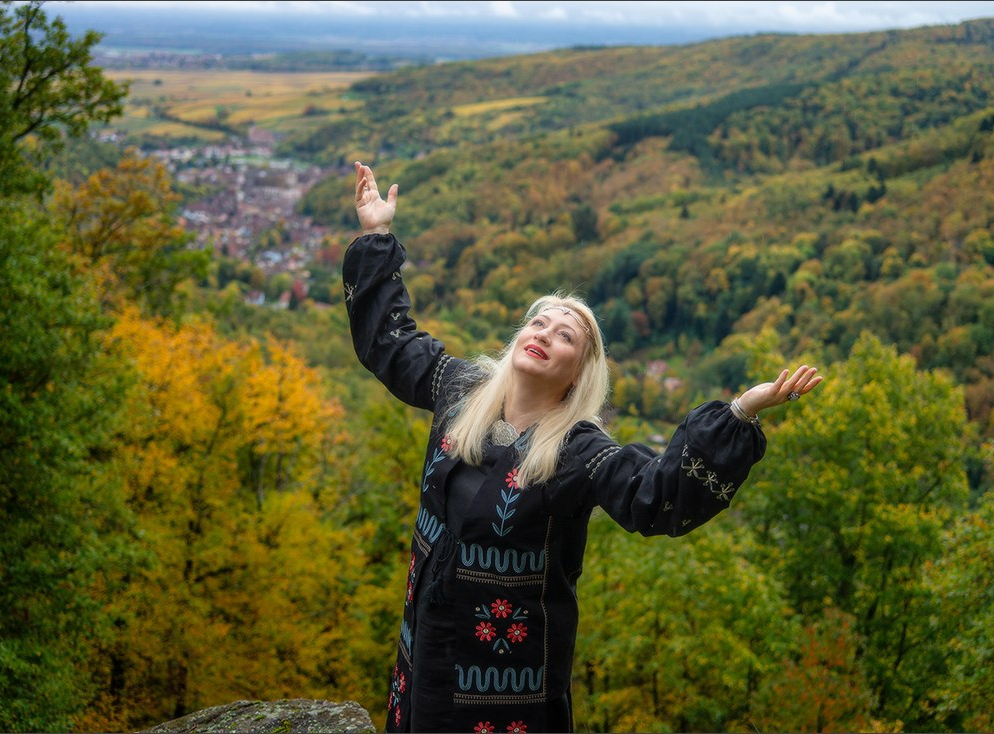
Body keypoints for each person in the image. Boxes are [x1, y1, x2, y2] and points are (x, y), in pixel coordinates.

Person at [342, 162, 822, 733]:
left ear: (578, 374)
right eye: (538, 323)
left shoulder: (579, 452)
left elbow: (658, 496)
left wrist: (739, 413)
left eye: (564, 333)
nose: (544, 332)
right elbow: (390, 342)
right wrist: (376, 235)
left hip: (507, 694)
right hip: (423, 662)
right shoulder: (459, 391)